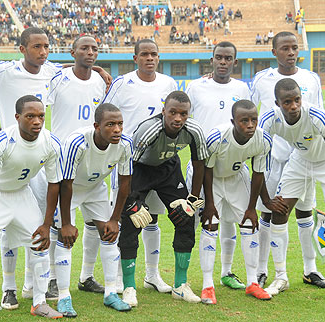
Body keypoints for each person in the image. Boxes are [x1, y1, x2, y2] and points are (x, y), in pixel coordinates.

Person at [0, 27, 112, 308]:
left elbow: (73, 64)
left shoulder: (51, 71)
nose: (42, 52)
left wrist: (99, 68)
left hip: (37, 159)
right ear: (21, 49)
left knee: (39, 225)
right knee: (5, 229)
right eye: (36, 47)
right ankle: (8, 287)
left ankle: (35, 285)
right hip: (5, 157)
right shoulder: (3, 71)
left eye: (46, 47)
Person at [0, 95, 64, 321]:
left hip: (22, 194)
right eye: (30, 116)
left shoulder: (51, 143)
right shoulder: (2, 141)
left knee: (40, 245)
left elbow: (53, 185)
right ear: (17, 117)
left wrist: (47, 224)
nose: (37, 121)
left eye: (41, 116)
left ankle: (39, 302)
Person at [259, 78, 325, 305]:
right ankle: (281, 277)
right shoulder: (269, 119)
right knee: (279, 212)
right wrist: (266, 199)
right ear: (277, 103)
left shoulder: (318, 116)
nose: (293, 106)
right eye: (287, 102)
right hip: (299, 161)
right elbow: (257, 159)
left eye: (297, 100)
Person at [250, 31, 325, 290]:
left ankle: (311, 269)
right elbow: (252, 113)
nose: (291, 52)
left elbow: (319, 113)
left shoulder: (310, 78)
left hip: (304, 156)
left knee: (305, 211)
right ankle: (262, 269)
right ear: (274, 52)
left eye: (294, 48)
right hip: (273, 158)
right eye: (284, 48)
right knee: (269, 211)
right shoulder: (262, 79)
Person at [103, 39, 178, 301]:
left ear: (159, 57)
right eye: (144, 54)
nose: (149, 58)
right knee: (130, 219)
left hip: (158, 161)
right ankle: (126, 280)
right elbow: (107, 111)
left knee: (153, 218)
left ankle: (153, 274)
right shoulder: (123, 83)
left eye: (154, 54)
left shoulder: (168, 83)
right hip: (130, 161)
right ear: (135, 58)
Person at [118, 91, 208, 305]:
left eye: (183, 114)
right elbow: (129, 164)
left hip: (168, 169)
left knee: (186, 219)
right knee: (132, 222)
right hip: (139, 171)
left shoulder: (194, 131)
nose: (178, 118)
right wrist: (131, 201)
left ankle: (180, 285)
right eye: (173, 113)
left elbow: (199, 164)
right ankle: (129, 286)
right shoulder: (150, 130)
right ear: (163, 111)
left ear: (189, 114)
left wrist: (192, 199)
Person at [46, 35, 108, 315]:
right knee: (57, 225)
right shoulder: (57, 78)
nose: (90, 52)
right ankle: (51, 280)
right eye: (84, 48)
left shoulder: (101, 82)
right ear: (72, 52)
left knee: (96, 224)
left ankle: (86, 277)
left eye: (95, 49)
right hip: (62, 162)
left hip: (93, 163)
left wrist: (99, 71)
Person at [201, 100, 287, 303]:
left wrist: (252, 207)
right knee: (210, 225)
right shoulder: (216, 137)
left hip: (236, 176)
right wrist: (210, 204)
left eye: (254, 120)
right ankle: (207, 286)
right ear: (233, 121)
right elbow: (206, 170)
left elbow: (259, 173)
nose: (250, 125)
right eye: (244, 121)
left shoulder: (263, 139)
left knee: (250, 224)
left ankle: (252, 283)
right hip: (210, 179)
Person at [185, 41, 251, 303]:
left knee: (230, 220)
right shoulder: (195, 87)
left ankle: (226, 272)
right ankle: (188, 277)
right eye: (219, 58)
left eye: (228, 58)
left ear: (235, 62)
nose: (223, 62)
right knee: (198, 221)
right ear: (211, 60)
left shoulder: (242, 88)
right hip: (201, 165)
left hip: (233, 166)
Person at [56, 104, 133, 315]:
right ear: (97, 126)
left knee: (109, 235)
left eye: (120, 124)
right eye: (110, 125)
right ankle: (63, 296)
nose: (117, 129)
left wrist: (115, 219)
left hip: (96, 187)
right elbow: (65, 183)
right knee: (65, 239)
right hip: (69, 189)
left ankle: (110, 294)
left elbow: (125, 183)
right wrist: (66, 224)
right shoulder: (77, 142)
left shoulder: (125, 144)